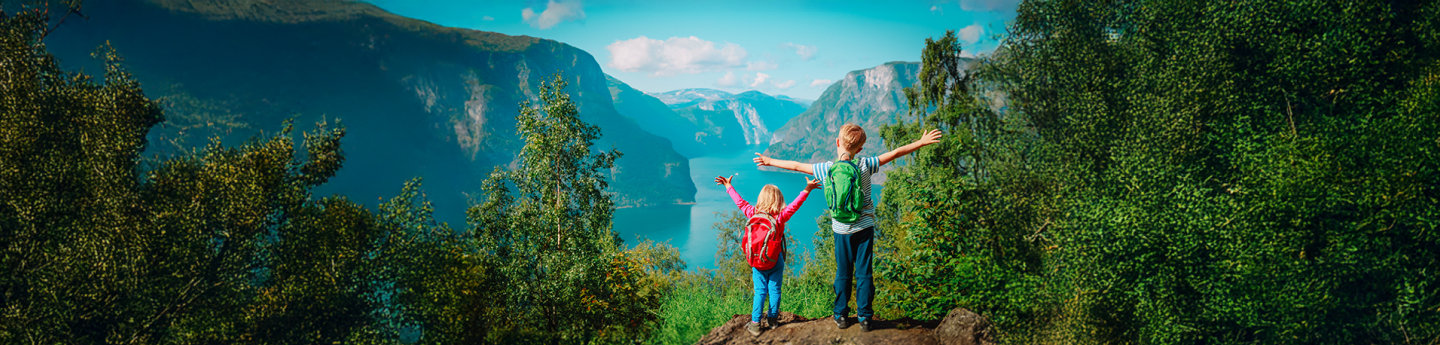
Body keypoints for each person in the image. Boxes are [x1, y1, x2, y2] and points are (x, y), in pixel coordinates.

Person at [752, 124, 942, 332]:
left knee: (843, 272)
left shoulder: (826, 169)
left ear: (837, 142)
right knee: (864, 272)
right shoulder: (866, 165)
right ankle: (865, 317)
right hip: (864, 228)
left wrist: (769, 161)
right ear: (860, 149)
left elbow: (796, 166)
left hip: (841, 230)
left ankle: (841, 315)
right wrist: (920, 142)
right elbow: (895, 153)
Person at [715, 173, 821, 336]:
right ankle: (772, 320)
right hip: (775, 260)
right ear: (779, 200)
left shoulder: (752, 213)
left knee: (760, 291)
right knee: (775, 290)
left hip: (757, 261)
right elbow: (796, 204)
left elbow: (740, 203)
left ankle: (756, 324)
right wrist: (808, 188)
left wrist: (728, 186)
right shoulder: (780, 217)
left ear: (761, 198)